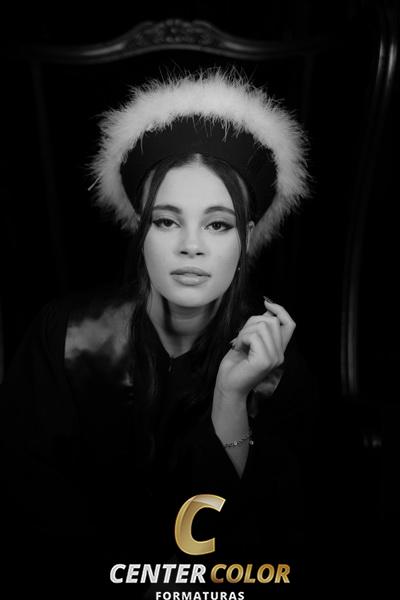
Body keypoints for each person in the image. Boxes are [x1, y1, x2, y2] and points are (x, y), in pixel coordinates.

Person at [0, 69, 315, 594]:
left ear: (246, 239)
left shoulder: (278, 364)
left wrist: (232, 399)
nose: (191, 245)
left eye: (217, 224)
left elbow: (263, 550)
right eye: (167, 221)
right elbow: (27, 509)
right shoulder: (67, 335)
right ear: (140, 231)